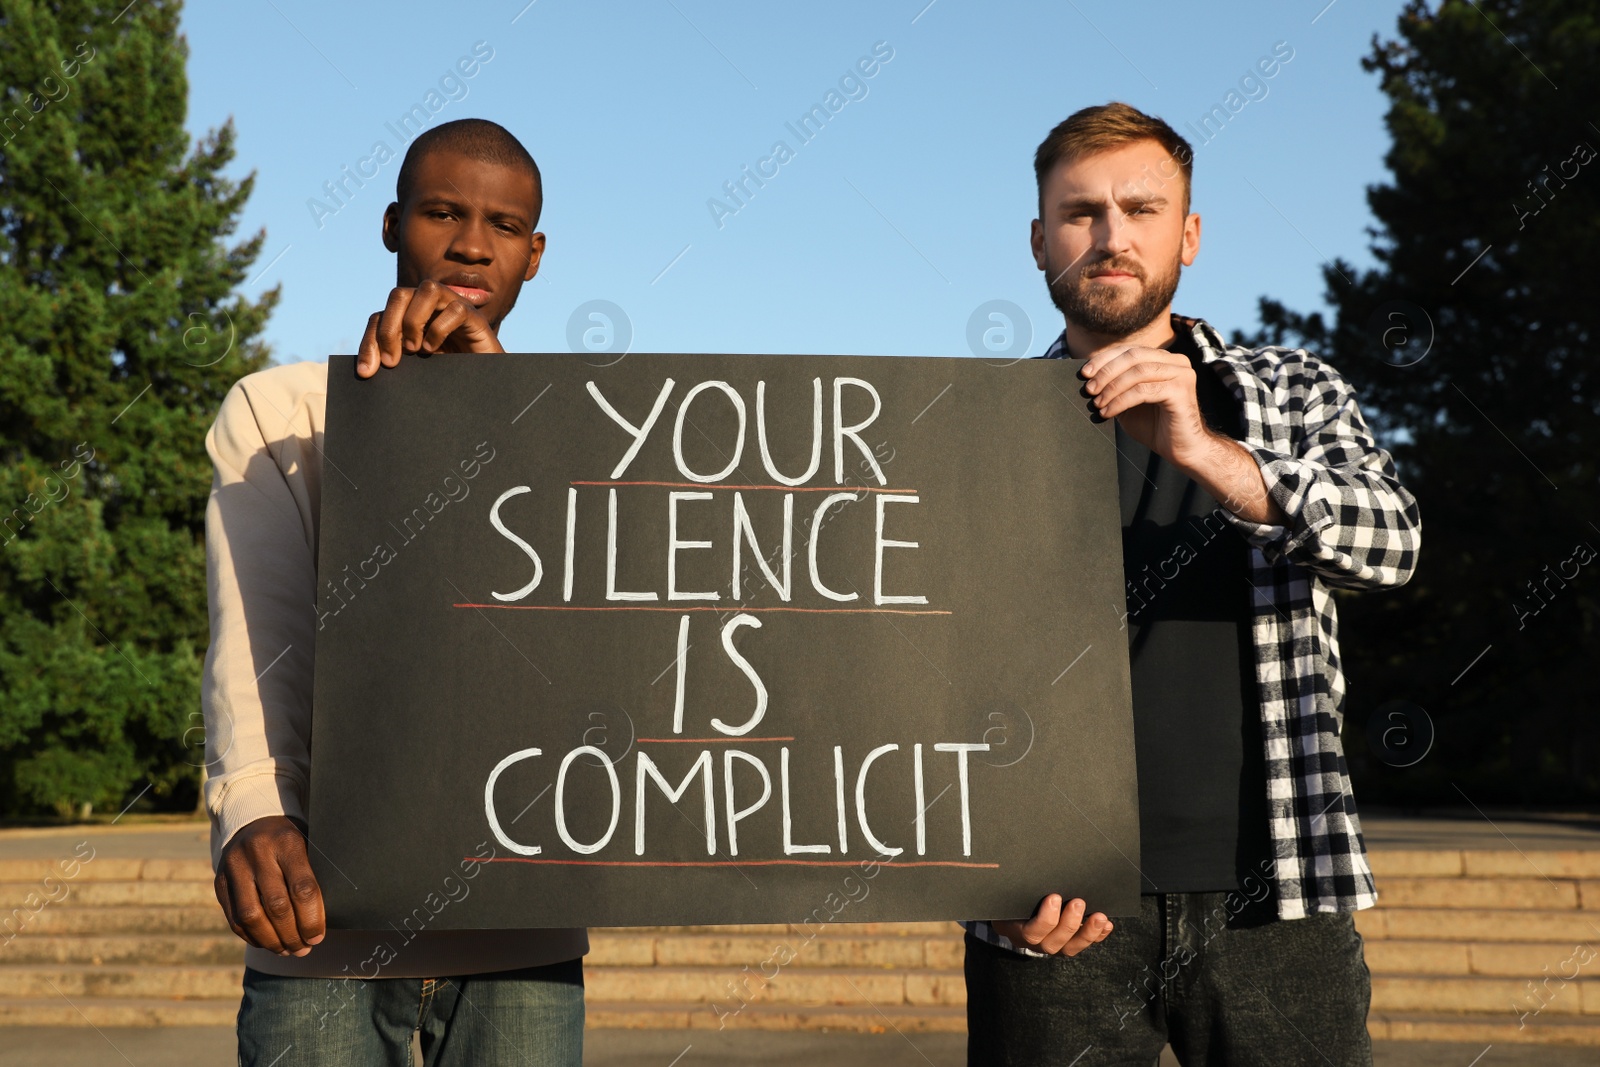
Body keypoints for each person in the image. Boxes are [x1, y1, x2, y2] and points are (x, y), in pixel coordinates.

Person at [961, 103, 1421, 1066]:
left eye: (1142, 207)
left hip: (1278, 892)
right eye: (1081, 212)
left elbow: (1393, 546)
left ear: (1190, 234)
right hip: (1057, 907)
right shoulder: (981, 428)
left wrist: (1212, 454)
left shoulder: (1295, 391)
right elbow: (933, 671)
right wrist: (985, 880)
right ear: (1039, 240)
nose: (1113, 236)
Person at [202, 118, 586, 1066]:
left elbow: (578, 643)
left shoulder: (578, 437)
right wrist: (251, 804)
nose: (469, 243)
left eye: (504, 225)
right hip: (327, 927)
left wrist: (487, 418)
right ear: (391, 225)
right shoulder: (277, 410)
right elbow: (257, 636)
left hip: (520, 930)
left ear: (534, 257)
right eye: (441, 212)